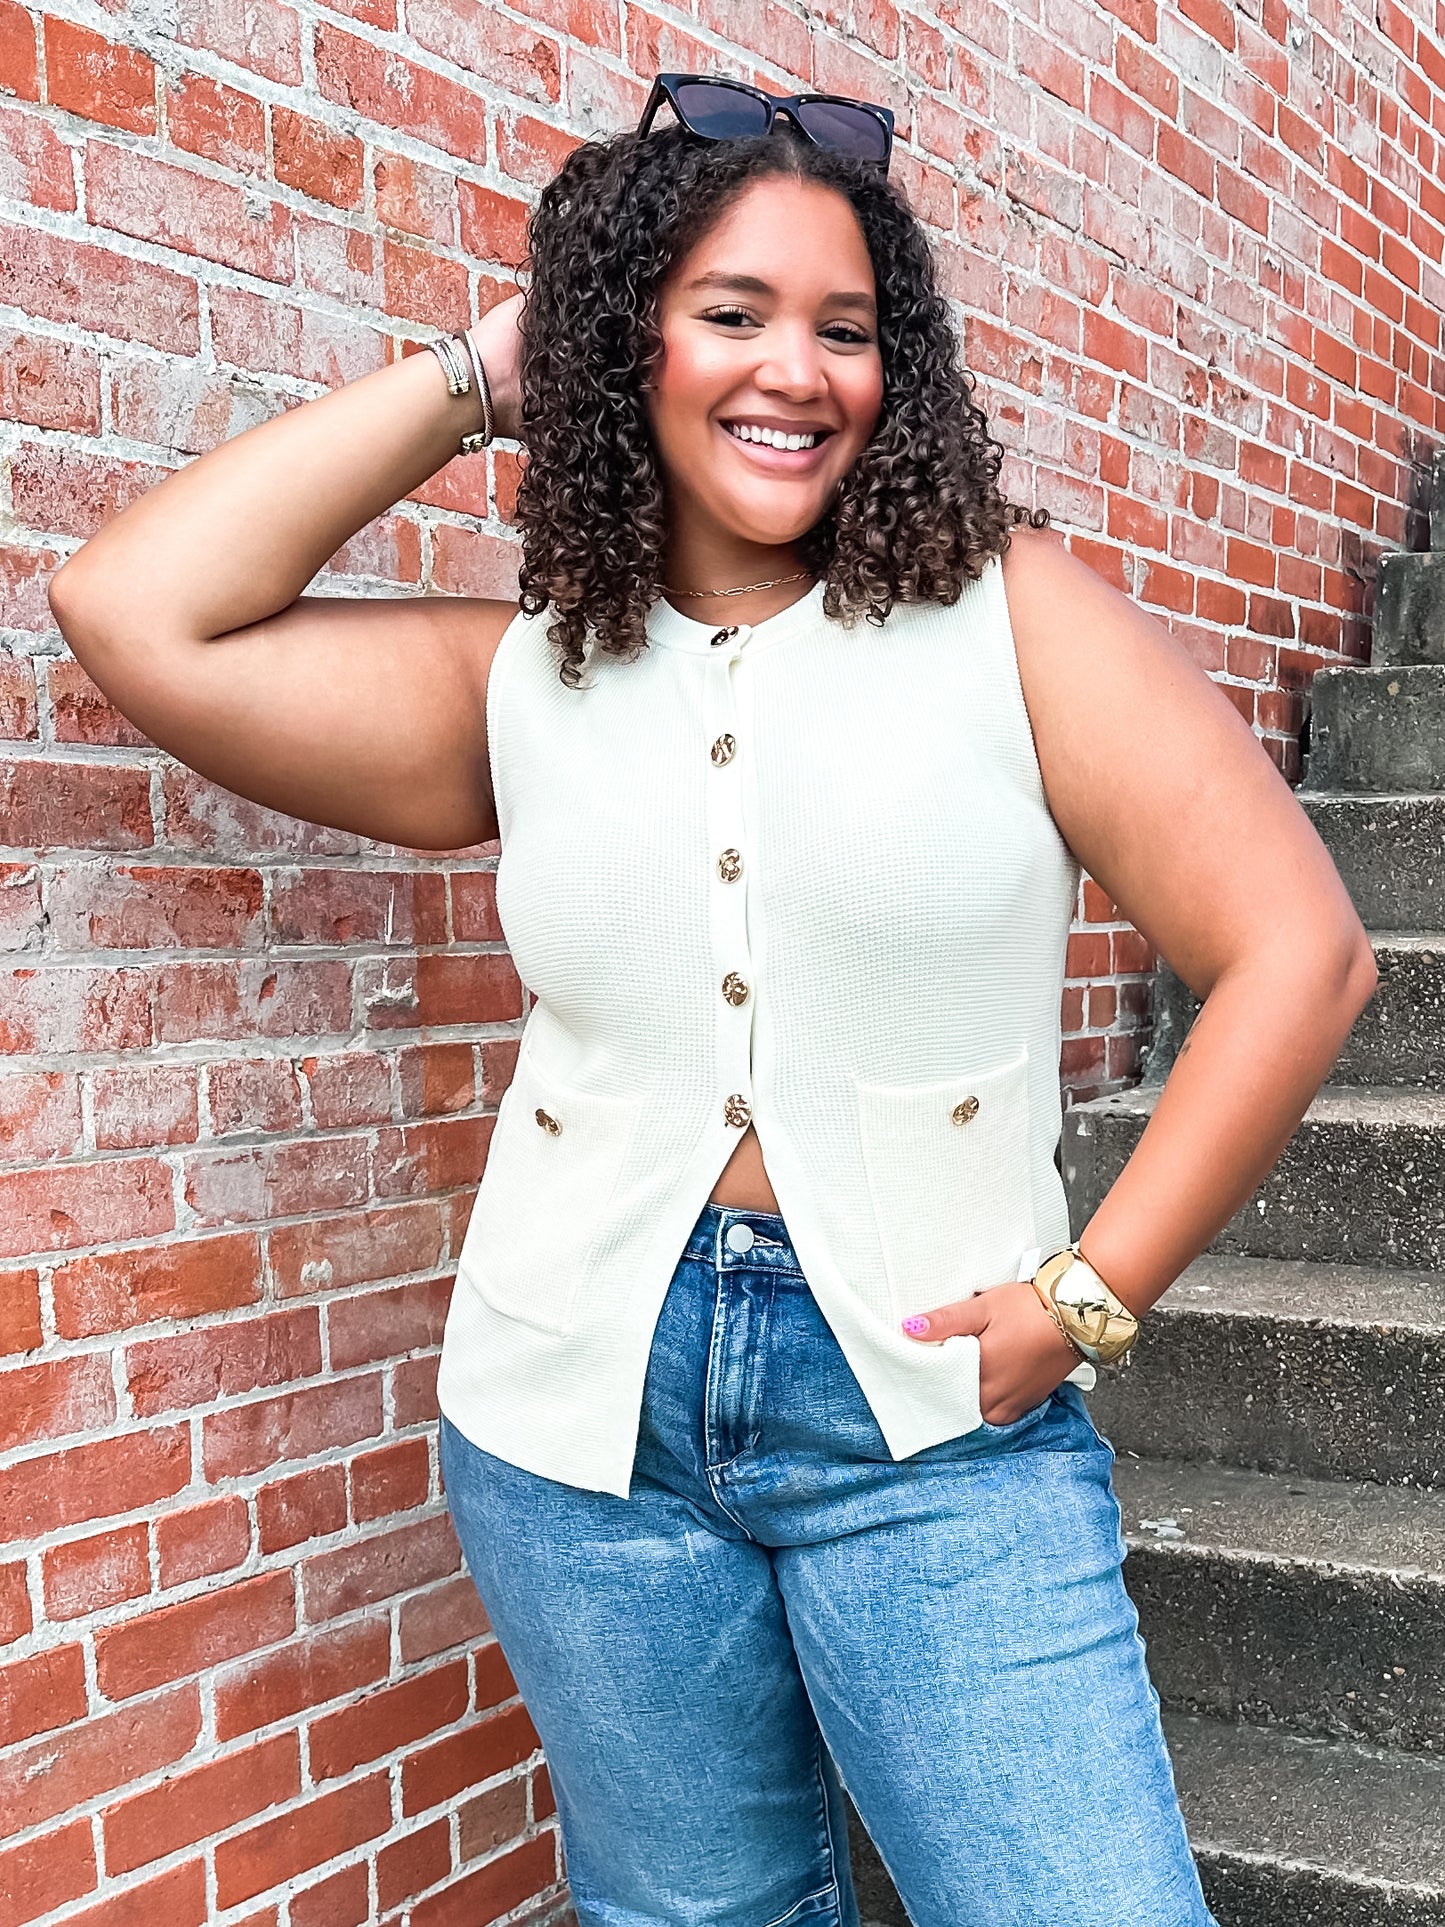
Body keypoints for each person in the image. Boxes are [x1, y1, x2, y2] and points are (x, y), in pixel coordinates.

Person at [48, 69, 1377, 1927]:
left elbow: (1298, 954)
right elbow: (137, 610)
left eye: (845, 328)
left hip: (929, 1417)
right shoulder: (527, 677)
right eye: (729, 313)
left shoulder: (1011, 619)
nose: (795, 372)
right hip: (572, 1420)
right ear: (630, 344)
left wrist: (1088, 1297)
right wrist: (487, 372)